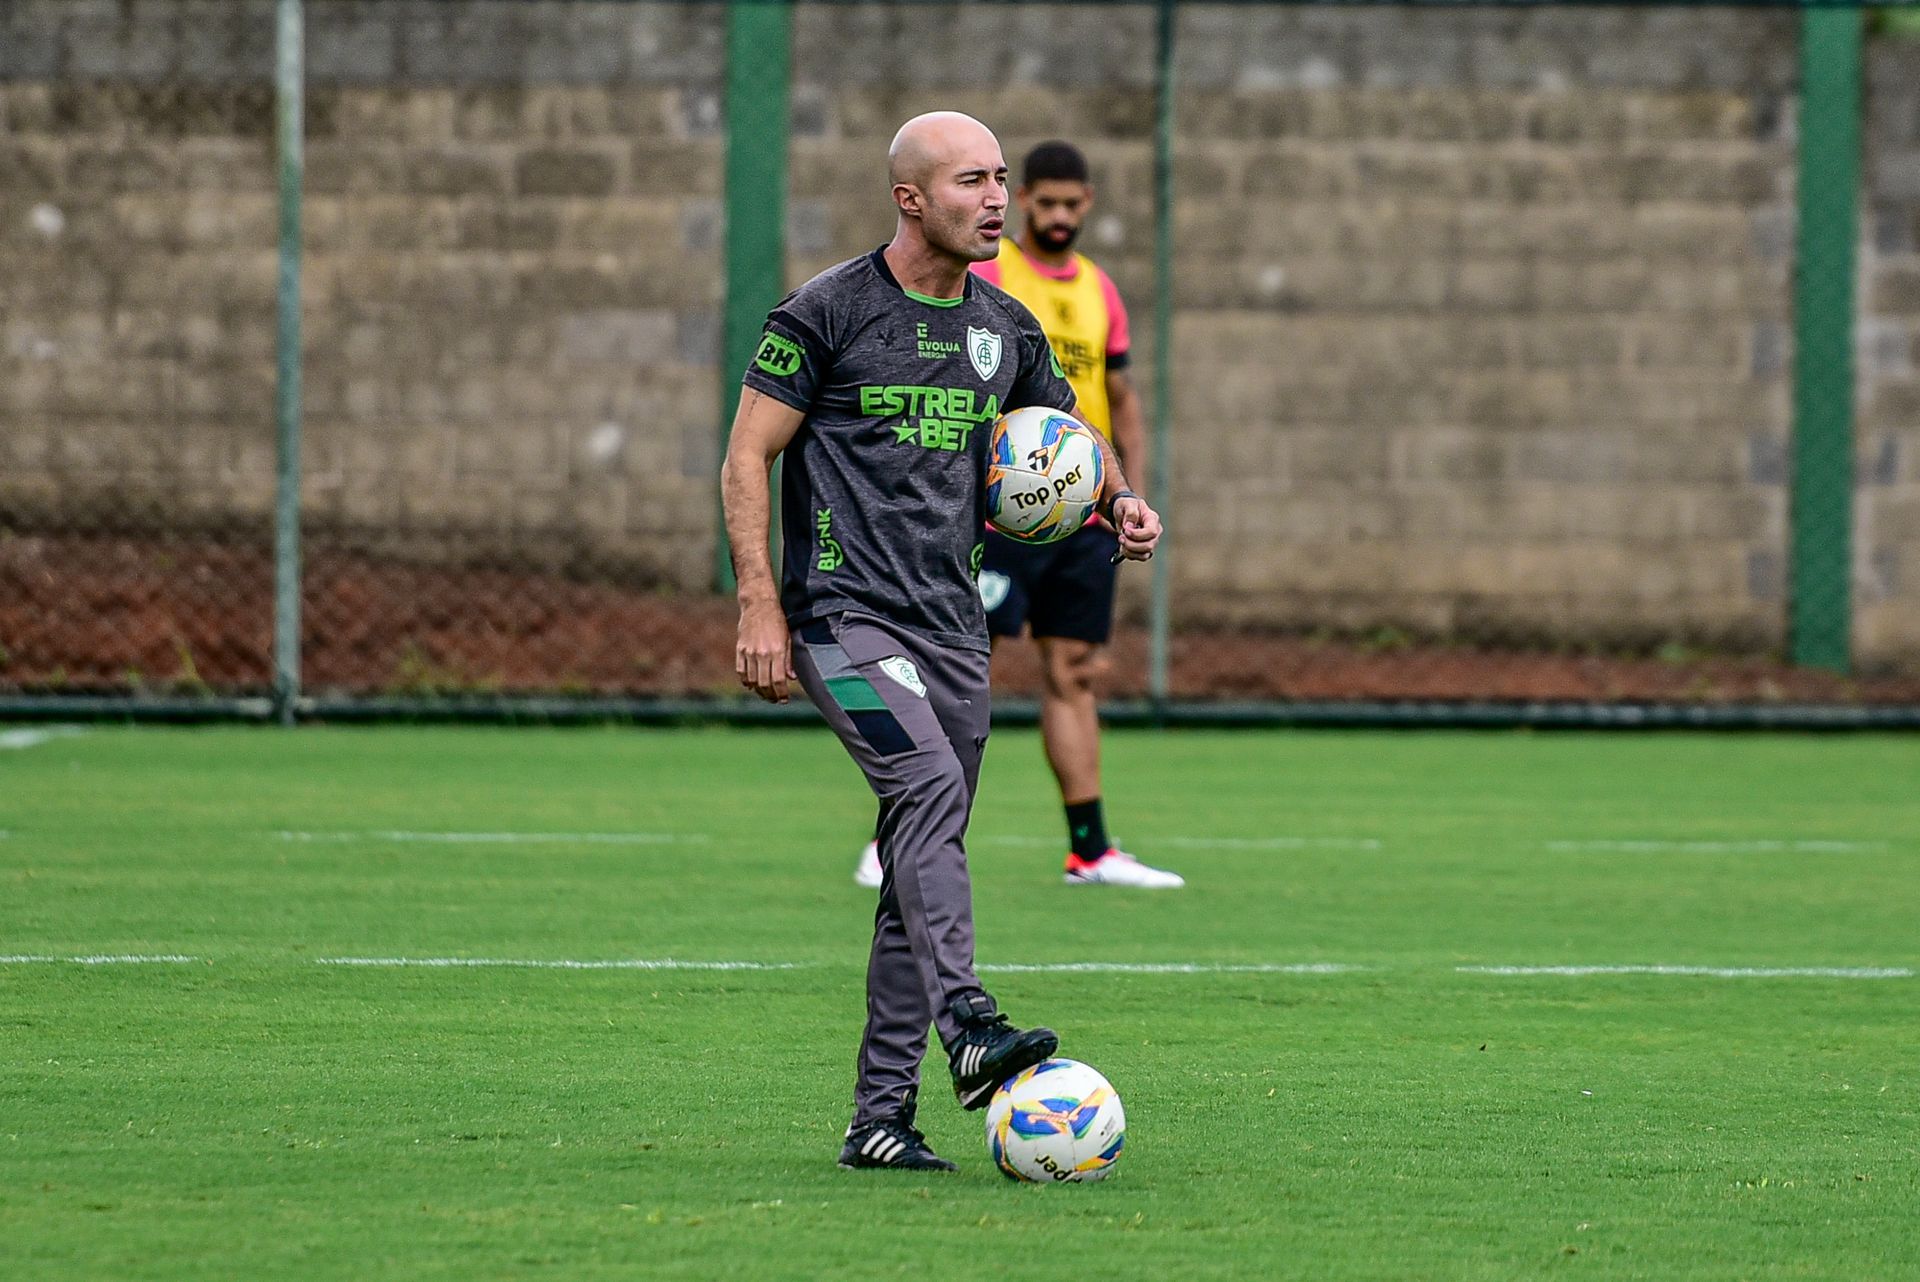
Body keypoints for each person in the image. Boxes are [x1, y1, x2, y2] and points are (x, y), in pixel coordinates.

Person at [720, 112, 1163, 1172]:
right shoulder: (824, 314)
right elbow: (747, 459)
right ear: (911, 199)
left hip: (954, 631)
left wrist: (1119, 500)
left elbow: (1069, 434)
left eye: (1003, 178)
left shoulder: (1005, 329)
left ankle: (880, 1121)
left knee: (923, 851)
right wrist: (758, 605)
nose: (999, 199)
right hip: (839, 617)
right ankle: (966, 1019)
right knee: (923, 790)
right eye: (974, 181)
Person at [854, 140, 1184, 892]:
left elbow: (1120, 400)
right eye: (1047, 202)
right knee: (958, 665)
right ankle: (891, 837)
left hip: (1082, 514)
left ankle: (1090, 850)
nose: (1059, 216)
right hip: (997, 514)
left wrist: (1127, 489)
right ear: (1028, 199)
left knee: (1074, 671)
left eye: (1075, 204)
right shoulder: (989, 273)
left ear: (1088, 204)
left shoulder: (1100, 290)